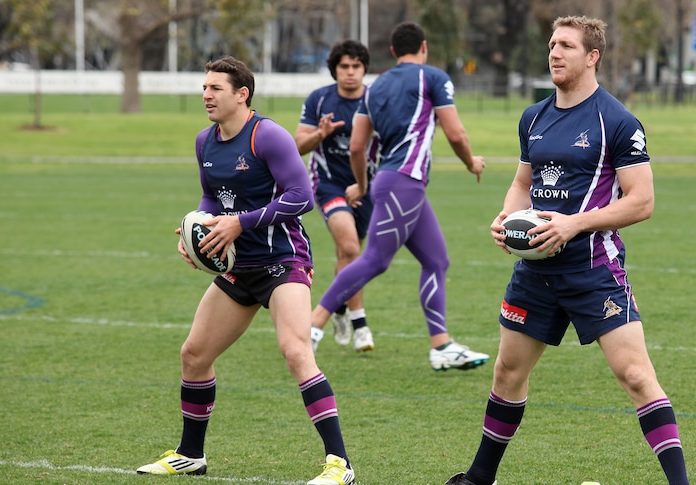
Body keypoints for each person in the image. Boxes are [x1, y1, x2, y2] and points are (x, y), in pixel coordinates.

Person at [445, 16, 689, 485]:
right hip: (535, 272)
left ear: (592, 56)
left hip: (594, 269)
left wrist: (574, 224)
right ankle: (479, 477)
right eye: (552, 45)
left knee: (636, 376)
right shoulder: (532, 117)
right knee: (507, 373)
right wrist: (505, 218)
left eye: (567, 47)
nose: (555, 53)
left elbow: (642, 201)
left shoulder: (617, 121)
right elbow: (523, 182)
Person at [137, 56, 354, 485]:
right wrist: (195, 232)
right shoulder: (205, 141)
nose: (206, 95)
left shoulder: (267, 135)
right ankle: (191, 454)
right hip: (239, 266)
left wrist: (243, 222)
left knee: (296, 351)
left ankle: (339, 465)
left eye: (215, 88)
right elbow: (211, 198)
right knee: (194, 354)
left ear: (242, 94)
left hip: (282, 261)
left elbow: (301, 196)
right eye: (204, 88)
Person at [309, 21, 490, 371]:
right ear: (424, 47)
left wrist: (362, 186)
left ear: (392, 52)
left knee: (436, 261)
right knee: (375, 259)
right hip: (404, 182)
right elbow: (455, 133)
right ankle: (313, 326)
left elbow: (357, 146)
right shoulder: (432, 77)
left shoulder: (373, 89)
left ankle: (441, 346)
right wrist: (471, 162)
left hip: (396, 183)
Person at [295, 40, 377, 354]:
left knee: (349, 256)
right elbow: (298, 145)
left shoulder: (376, 99)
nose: (350, 72)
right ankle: (360, 324)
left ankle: (339, 309)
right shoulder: (319, 99)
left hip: (367, 186)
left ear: (364, 69)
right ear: (335, 69)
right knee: (349, 246)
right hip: (328, 184)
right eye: (344, 66)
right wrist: (320, 134)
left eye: (356, 66)